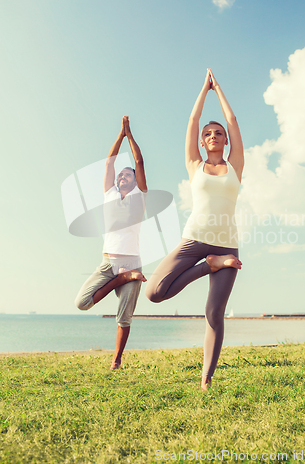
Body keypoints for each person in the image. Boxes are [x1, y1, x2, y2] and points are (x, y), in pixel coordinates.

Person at [145, 69, 244, 390]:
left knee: (214, 313)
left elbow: (233, 122)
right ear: (202, 142)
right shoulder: (194, 164)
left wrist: (221, 91)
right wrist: (204, 89)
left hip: (228, 245)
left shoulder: (235, 166)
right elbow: (192, 121)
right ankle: (209, 267)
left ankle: (206, 380)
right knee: (155, 292)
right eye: (208, 134)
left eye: (218, 133)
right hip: (194, 241)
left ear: (225, 140)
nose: (214, 135)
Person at [75, 116, 147, 370]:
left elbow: (138, 162)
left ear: (135, 180)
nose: (121, 178)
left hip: (131, 262)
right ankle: (123, 279)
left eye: (127, 175)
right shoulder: (109, 195)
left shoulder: (140, 196)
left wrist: (130, 135)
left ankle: (116, 360)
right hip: (109, 264)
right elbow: (109, 163)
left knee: (124, 317)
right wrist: (119, 135)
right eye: (120, 176)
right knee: (82, 303)